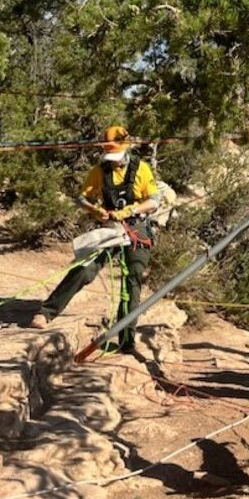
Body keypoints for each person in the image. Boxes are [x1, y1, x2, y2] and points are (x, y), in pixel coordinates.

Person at [29, 126, 160, 349]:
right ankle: (46, 312)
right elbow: (82, 198)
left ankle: (126, 338)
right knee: (85, 268)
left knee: (133, 277)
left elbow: (154, 201)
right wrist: (94, 210)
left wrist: (130, 211)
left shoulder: (142, 169)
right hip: (110, 228)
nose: (114, 162)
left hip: (136, 228)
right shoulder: (100, 171)